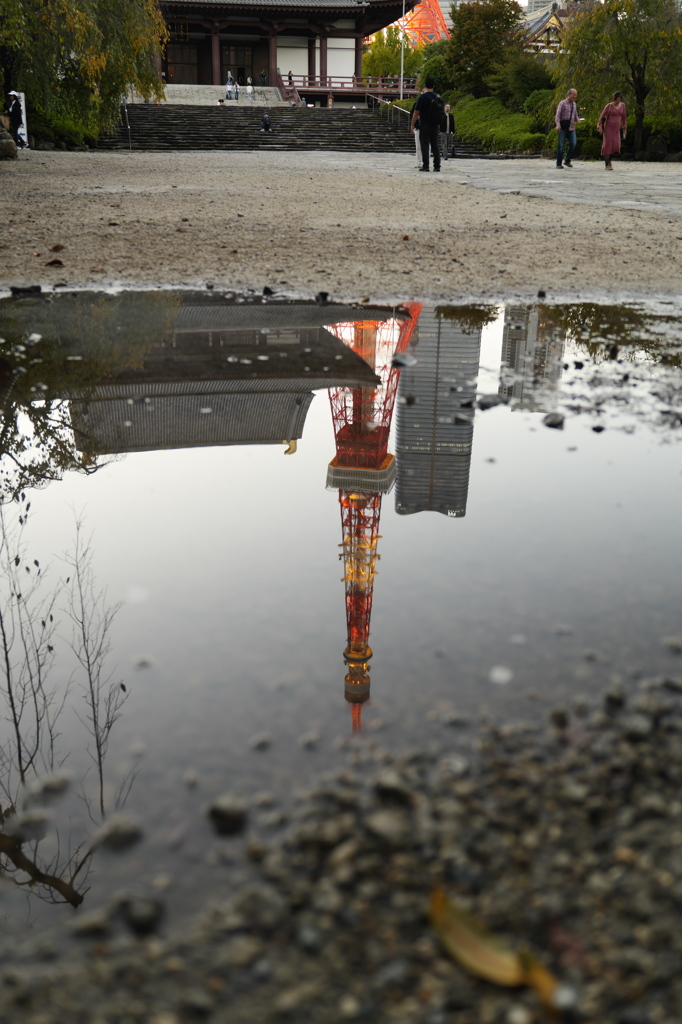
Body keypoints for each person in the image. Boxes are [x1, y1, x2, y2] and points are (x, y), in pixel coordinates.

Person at [411, 76, 443, 173]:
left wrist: (412, 124)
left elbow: (416, 112)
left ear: (424, 85)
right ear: (434, 86)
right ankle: (437, 166)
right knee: (435, 145)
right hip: (435, 124)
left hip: (424, 124)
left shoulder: (422, 98)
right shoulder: (437, 97)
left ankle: (426, 166)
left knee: (424, 145)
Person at [598, 91, 627, 170]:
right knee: (608, 146)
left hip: (616, 129)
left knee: (616, 146)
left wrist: (624, 128)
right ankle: (607, 164)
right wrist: (600, 126)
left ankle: (610, 160)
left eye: (619, 100)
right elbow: (602, 116)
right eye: (616, 100)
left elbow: (624, 118)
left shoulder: (622, 105)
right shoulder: (609, 106)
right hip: (608, 129)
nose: (618, 101)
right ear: (614, 99)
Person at [555, 88, 581, 169]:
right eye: (573, 94)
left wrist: (577, 119)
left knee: (573, 144)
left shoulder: (574, 104)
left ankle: (567, 160)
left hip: (571, 128)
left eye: (575, 95)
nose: (574, 96)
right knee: (561, 146)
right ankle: (559, 163)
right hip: (563, 127)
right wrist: (558, 124)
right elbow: (558, 115)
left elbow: (575, 114)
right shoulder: (562, 103)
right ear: (569, 94)